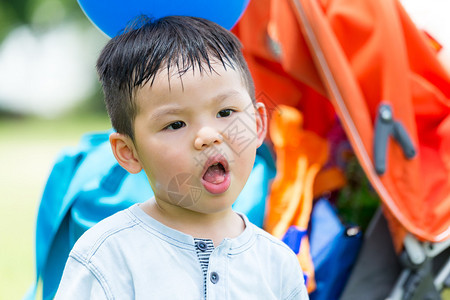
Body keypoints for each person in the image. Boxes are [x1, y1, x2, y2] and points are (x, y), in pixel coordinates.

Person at [55, 15, 308, 299]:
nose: (208, 136)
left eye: (225, 112)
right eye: (175, 124)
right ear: (129, 152)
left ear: (259, 125)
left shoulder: (278, 264)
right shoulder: (108, 257)